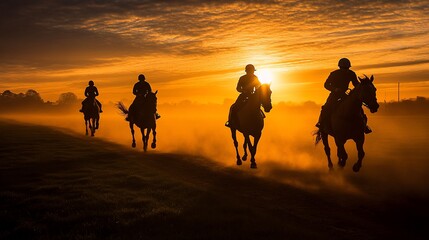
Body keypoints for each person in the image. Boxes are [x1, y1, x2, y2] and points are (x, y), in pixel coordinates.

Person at [316, 58, 372, 133]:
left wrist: (362, 86)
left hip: (345, 95)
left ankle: (364, 126)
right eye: (344, 68)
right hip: (334, 95)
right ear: (340, 67)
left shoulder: (351, 73)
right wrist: (335, 89)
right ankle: (321, 123)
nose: (345, 70)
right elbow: (326, 85)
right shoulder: (334, 74)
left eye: (347, 68)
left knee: (358, 108)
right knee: (326, 107)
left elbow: (355, 84)